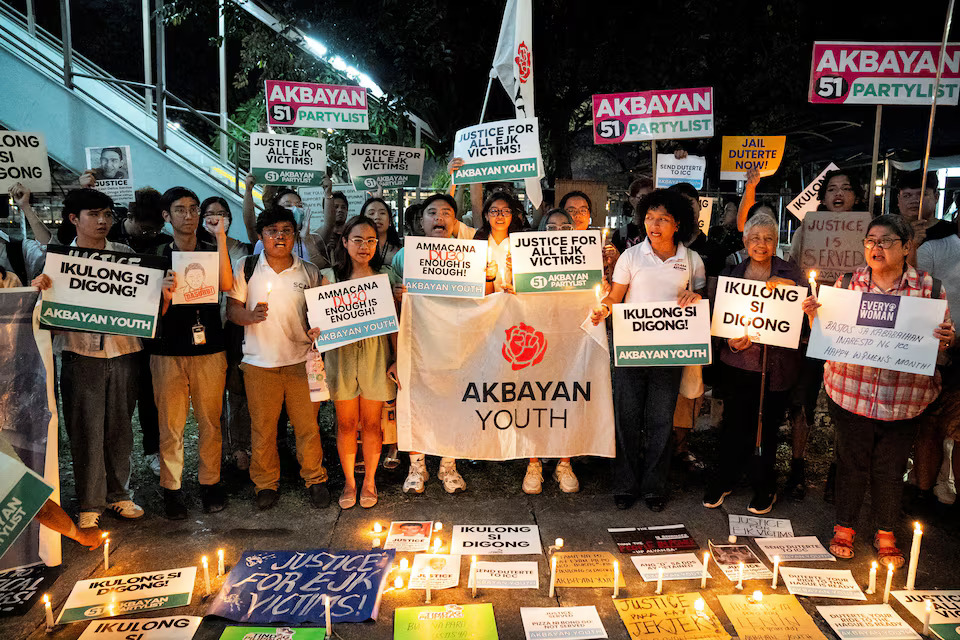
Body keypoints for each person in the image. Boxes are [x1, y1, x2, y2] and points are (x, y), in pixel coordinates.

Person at [802, 215, 954, 566]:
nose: (876, 247)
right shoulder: (846, 283)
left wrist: (947, 339)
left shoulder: (929, 289)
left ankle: (886, 530)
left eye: (885, 241)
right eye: (870, 240)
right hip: (851, 391)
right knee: (851, 463)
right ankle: (845, 526)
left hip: (904, 398)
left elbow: (941, 340)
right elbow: (830, 334)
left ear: (905, 247)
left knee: (891, 467)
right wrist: (814, 318)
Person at [31, 189, 145, 528]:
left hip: (124, 350)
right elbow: (42, 321)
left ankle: (119, 495)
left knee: (121, 427)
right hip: (79, 353)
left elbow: (146, 300)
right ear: (73, 219)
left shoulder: (126, 255)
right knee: (85, 429)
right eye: (94, 214)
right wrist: (41, 292)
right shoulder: (58, 262)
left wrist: (161, 288)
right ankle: (89, 503)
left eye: (107, 215)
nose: (103, 221)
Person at [592, 189, 705, 512]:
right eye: (650, 218)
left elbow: (699, 302)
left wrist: (695, 298)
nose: (655, 225)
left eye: (663, 219)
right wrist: (604, 309)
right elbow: (615, 297)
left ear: (677, 224)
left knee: (660, 420)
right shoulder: (630, 257)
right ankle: (625, 484)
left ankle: (655, 485)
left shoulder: (691, 260)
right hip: (631, 350)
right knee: (627, 417)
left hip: (670, 354)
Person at [226, 206, 331, 511]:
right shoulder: (246, 267)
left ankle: (315, 479)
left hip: (302, 362)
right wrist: (249, 315)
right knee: (263, 428)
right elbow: (232, 311)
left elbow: (321, 313)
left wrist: (318, 329)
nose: (280, 237)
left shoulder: (309, 271)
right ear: (261, 236)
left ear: (295, 235)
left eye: (286, 230)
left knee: (307, 427)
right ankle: (265, 484)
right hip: (260, 364)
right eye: (272, 231)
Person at [703, 212, 804, 514]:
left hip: (775, 367)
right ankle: (726, 478)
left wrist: (788, 290)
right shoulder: (732, 274)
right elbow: (719, 322)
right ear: (745, 241)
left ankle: (765, 485)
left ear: (776, 243)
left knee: (768, 426)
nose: (761, 244)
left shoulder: (792, 273)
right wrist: (728, 340)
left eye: (768, 238)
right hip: (738, 364)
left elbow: (805, 317)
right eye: (755, 238)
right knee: (734, 423)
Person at [785, 168, 866, 502]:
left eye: (846, 189)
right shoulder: (809, 229)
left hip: (851, 331)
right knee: (802, 399)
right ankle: (796, 467)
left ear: (856, 197)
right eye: (832, 188)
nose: (838, 194)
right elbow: (792, 266)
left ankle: (838, 469)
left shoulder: (869, 231)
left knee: (845, 407)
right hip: (810, 327)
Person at [152, 187, 233, 519]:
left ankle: (210, 482)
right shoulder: (156, 256)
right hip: (166, 350)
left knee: (210, 421)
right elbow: (146, 310)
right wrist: (164, 296)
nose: (189, 215)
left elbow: (227, 285)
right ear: (166, 216)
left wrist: (222, 238)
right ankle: (172, 488)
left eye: (194, 209)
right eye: (180, 210)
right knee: (170, 424)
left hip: (209, 347)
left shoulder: (211, 250)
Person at [309, 216, 398, 509]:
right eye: (357, 240)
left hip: (376, 353)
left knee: (372, 424)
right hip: (341, 355)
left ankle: (370, 481)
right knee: (346, 423)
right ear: (344, 242)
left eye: (371, 240)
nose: (364, 246)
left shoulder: (384, 276)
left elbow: (394, 325)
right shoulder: (329, 278)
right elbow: (315, 320)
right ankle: (349, 482)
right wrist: (314, 331)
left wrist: (396, 358)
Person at [391, 194, 470, 495]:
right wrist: (397, 295)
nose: (439, 217)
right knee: (415, 402)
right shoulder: (403, 257)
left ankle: (448, 465)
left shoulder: (468, 254)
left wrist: (488, 279)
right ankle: (417, 465)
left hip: (455, 342)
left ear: (454, 221)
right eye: (432, 212)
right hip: (416, 343)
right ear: (421, 221)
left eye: (447, 212)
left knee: (454, 402)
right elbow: (392, 309)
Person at [521, 208, 580, 494]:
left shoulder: (583, 261)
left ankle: (564, 462)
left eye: (564, 227)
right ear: (542, 231)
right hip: (535, 340)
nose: (557, 232)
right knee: (534, 399)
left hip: (570, 341)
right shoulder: (529, 260)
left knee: (567, 399)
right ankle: (534, 462)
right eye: (551, 227)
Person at [198, 197, 254, 472]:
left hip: (234, 328)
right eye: (210, 213)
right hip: (205, 330)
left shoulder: (241, 249)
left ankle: (240, 446)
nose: (216, 218)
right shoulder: (194, 249)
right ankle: (217, 451)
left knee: (238, 390)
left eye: (222, 214)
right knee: (211, 396)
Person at [912, 218, 960, 515]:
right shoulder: (935, 247)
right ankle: (923, 492)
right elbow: (917, 292)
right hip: (939, 351)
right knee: (929, 425)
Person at [896, 170, 954, 266]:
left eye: (922, 194)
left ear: (936, 197)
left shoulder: (952, 232)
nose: (914, 200)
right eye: (907, 195)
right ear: (899, 199)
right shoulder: (888, 231)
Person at [476, 193, 525, 294]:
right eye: (494, 211)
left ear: (512, 215)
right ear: (486, 216)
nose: (500, 216)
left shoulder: (521, 244)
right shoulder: (478, 243)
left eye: (505, 211)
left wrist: (517, 271)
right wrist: (489, 278)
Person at [360, 197, 403, 265]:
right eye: (371, 213)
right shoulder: (357, 249)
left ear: (389, 220)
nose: (377, 217)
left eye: (382, 213)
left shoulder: (401, 251)